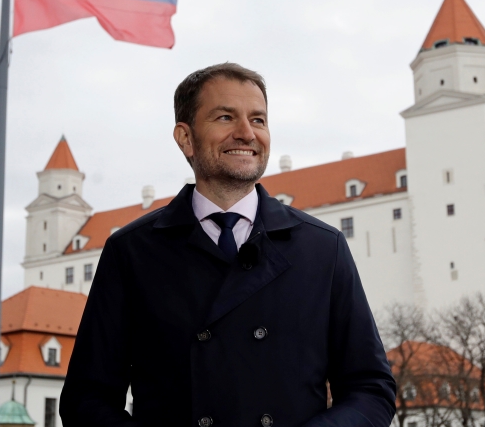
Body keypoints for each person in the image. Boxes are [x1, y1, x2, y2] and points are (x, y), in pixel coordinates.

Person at [60, 63, 395, 427]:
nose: (247, 133)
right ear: (185, 137)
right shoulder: (131, 251)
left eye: (259, 120)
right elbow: (86, 399)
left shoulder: (323, 248)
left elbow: (370, 388)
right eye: (225, 117)